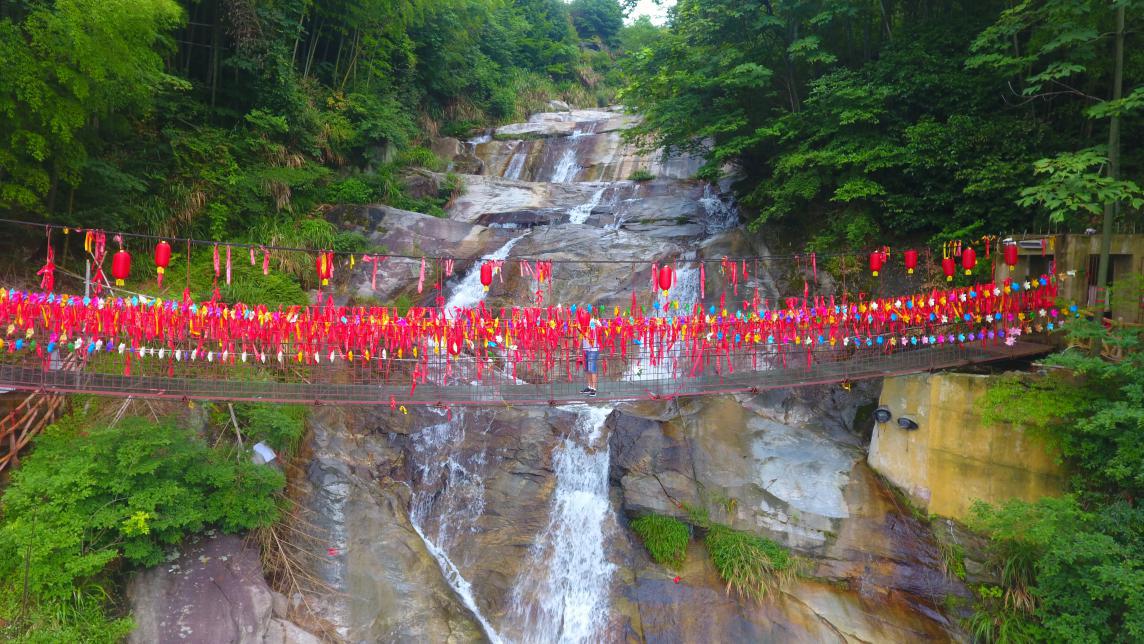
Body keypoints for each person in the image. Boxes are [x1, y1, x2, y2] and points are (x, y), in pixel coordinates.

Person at [580, 314, 599, 397]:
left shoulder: (594, 321)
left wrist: (595, 323)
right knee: (587, 369)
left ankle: (594, 389)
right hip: (586, 348)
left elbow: (600, 327)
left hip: (593, 349)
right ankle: (589, 386)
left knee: (592, 369)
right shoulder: (582, 323)